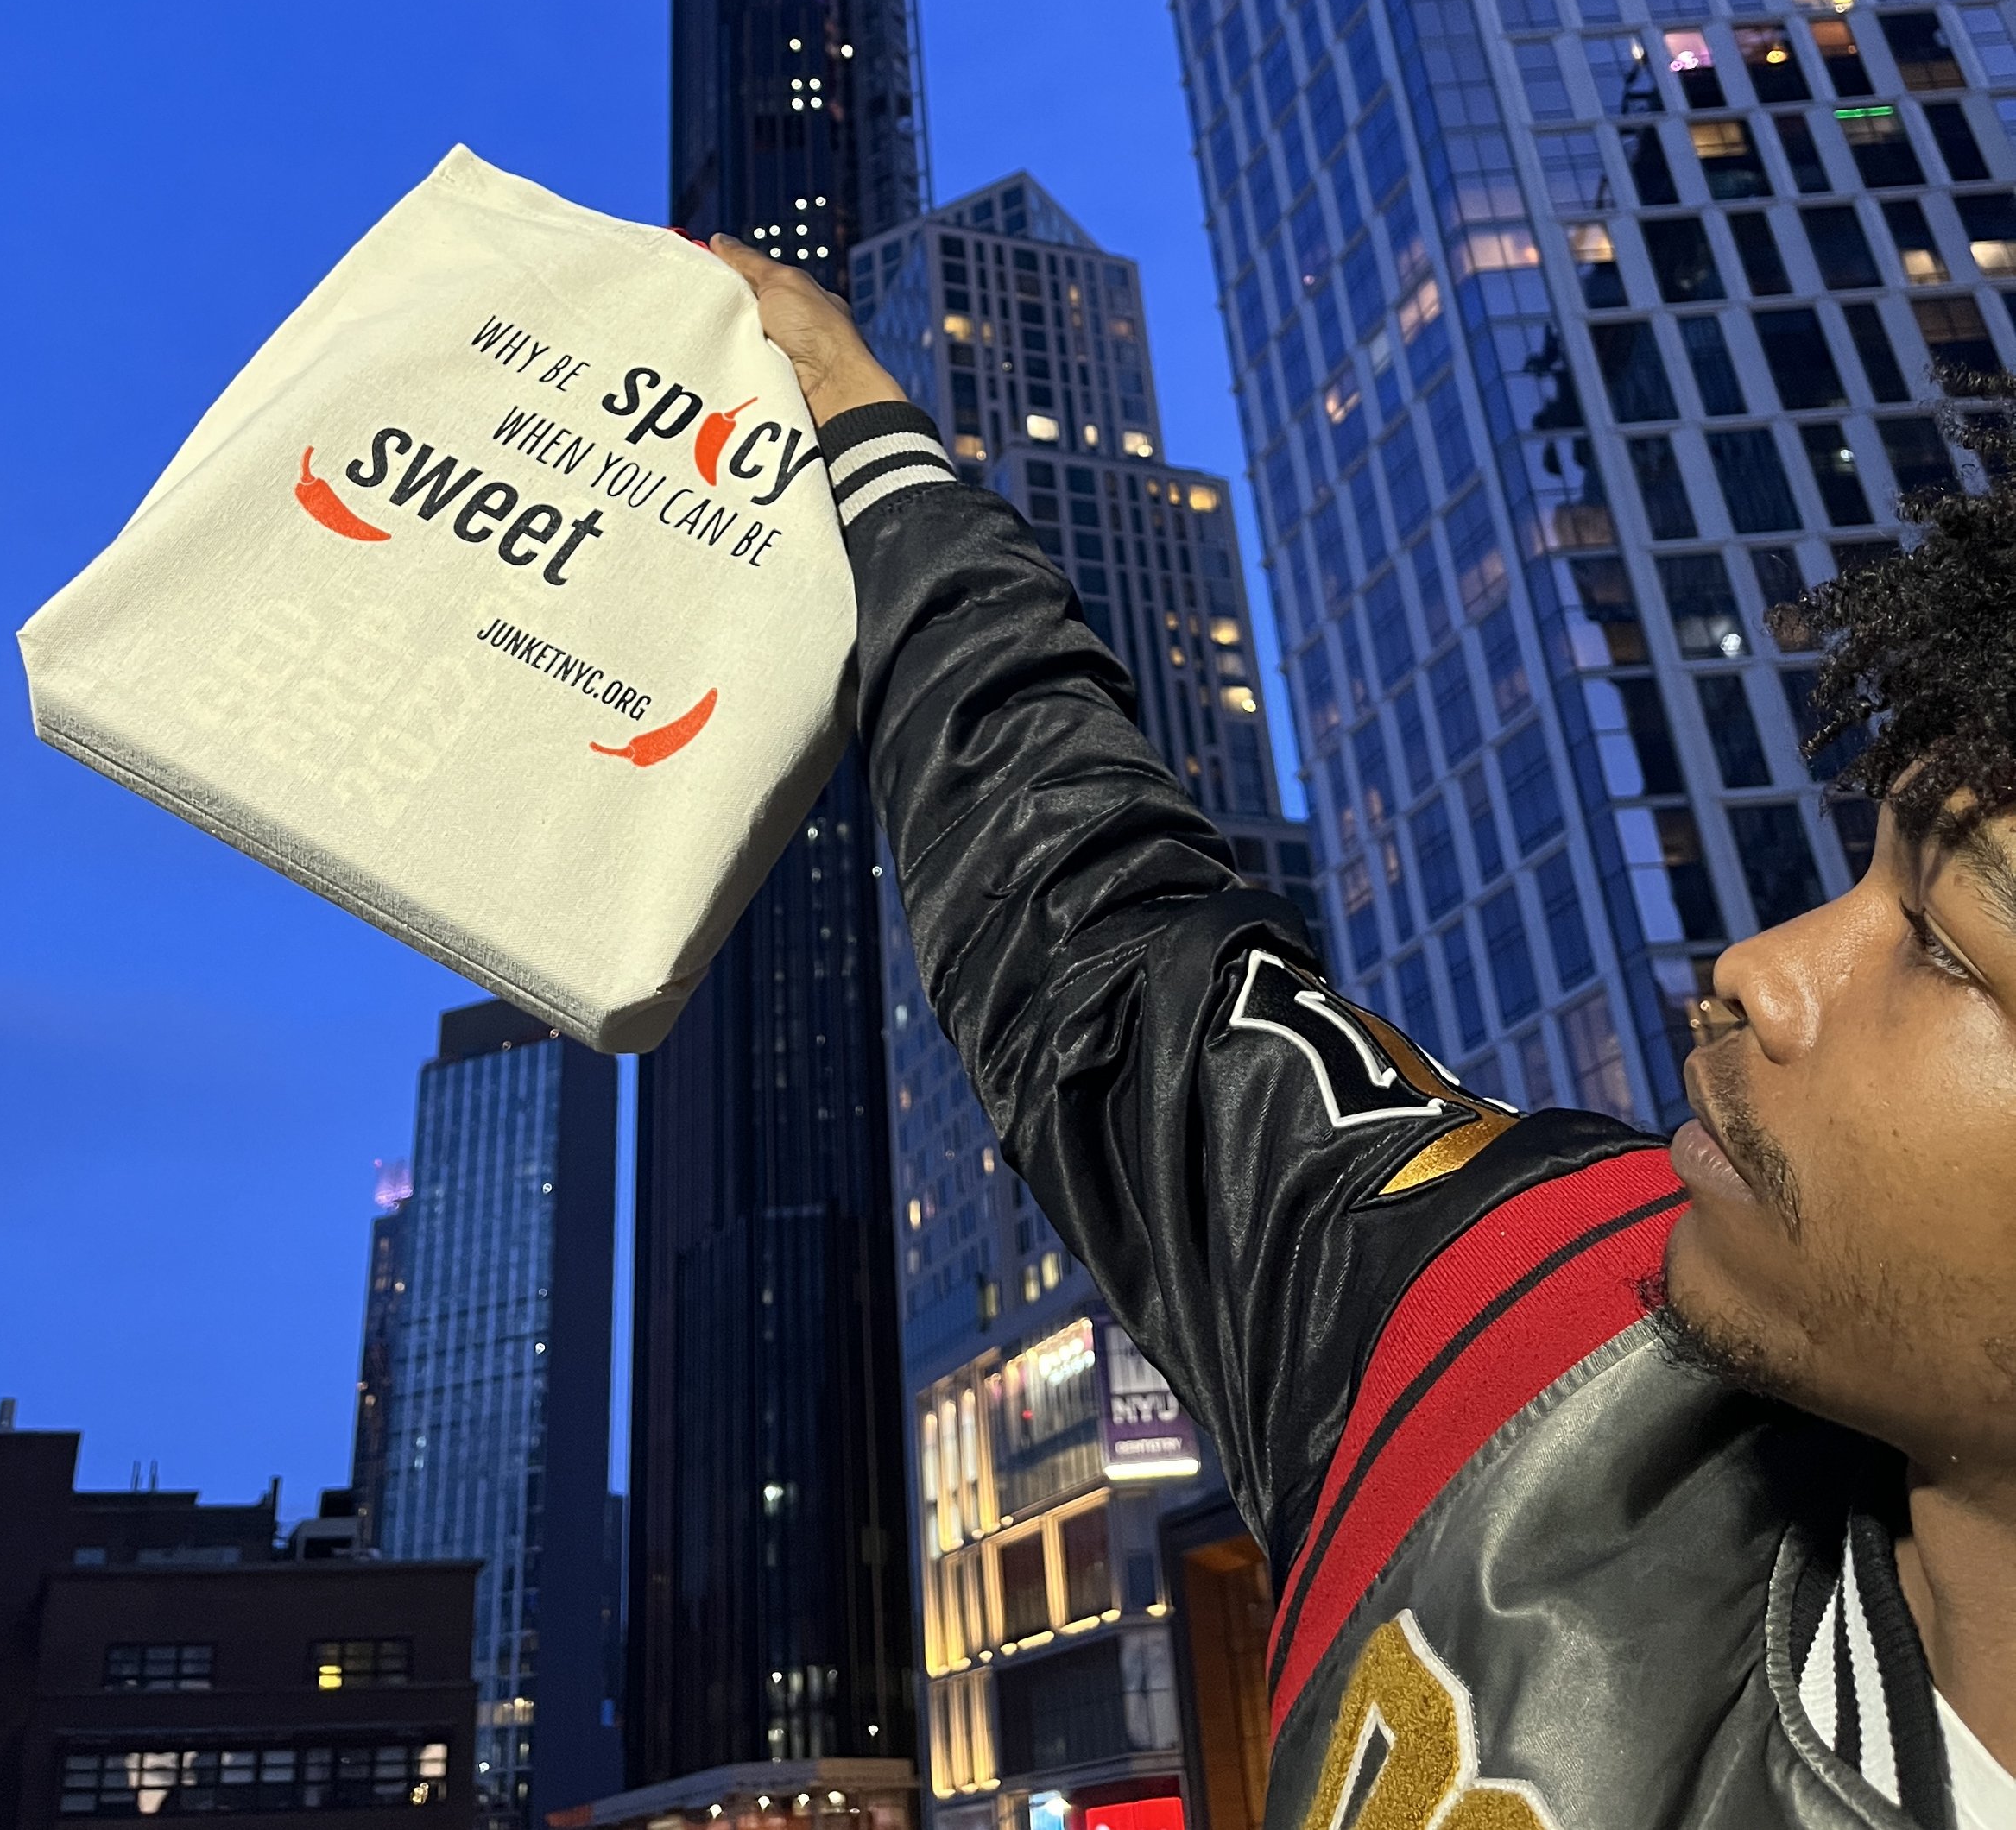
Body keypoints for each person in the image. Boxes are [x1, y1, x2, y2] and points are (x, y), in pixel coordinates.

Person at [713, 232, 2016, 1830]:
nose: (1758, 968)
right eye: (1867, 870)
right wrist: (872, 445)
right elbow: (1107, 954)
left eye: (1946, 948)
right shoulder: (1523, 1319)